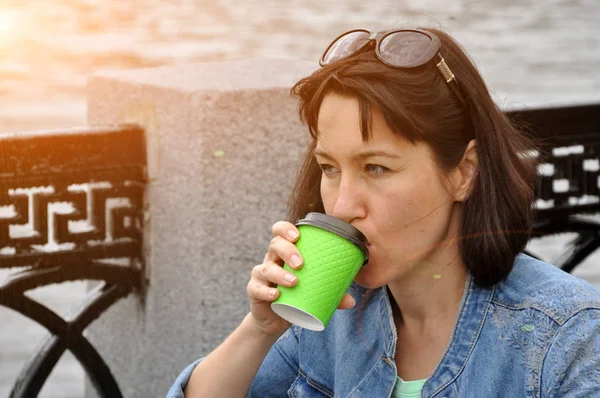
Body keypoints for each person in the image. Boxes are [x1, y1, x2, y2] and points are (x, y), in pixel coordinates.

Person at [167, 27, 600, 398]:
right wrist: (259, 329)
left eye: (376, 168)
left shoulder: (568, 338)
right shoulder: (328, 319)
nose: (340, 206)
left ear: (464, 173)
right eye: (329, 168)